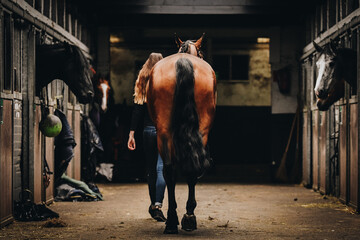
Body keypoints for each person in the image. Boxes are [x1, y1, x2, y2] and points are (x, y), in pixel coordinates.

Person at [127, 52, 166, 222]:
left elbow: (137, 110)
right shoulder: (166, 80)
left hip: (147, 131)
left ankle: (152, 205)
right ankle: (158, 204)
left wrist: (131, 134)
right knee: (161, 168)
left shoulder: (142, 81)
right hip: (164, 130)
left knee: (151, 170)